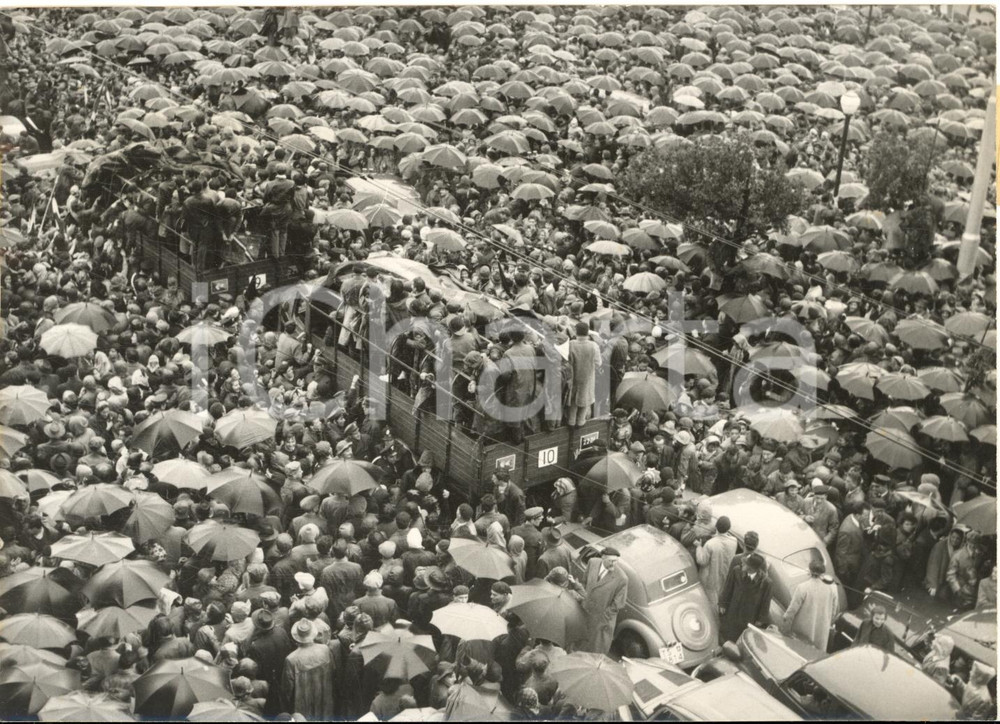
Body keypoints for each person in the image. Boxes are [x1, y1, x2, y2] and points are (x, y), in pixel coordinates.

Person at [281, 619, 336, 720]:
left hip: (303, 704)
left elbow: (287, 690)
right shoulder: (325, 649)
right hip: (324, 699)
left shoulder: (291, 659)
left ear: (296, 637)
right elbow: (333, 670)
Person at [781, 560, 840, 652]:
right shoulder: (833, 587)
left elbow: (792, 610)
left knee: (800, 651)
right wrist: (828, 622)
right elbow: (834, 610)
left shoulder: (803, 587)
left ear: (809, 571)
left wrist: (785, 620)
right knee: (815, 654)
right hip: (822, 630)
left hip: (802, 630)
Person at [580, 547, 628, 655]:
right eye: (611, 561)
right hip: (585, 611)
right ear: (603, 557)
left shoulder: (622, 578)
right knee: (580, 643)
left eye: (616, 561)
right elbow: (584, 582)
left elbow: (618, 604)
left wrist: (603, 618)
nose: (614, 564)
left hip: (602, 620)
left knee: (596, 650)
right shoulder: (592, 562)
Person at [718, 552, 772, 643]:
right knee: (726, 635)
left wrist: (760, 620)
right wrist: (722, 603)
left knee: (742, 639)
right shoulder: (736, 571)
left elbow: (765, 603)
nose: (742, 563)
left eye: (745, 563)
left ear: (752, 568)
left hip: (749, 617)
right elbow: (727, 588)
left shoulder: (766, 583)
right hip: (733, 612)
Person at [695, 515, 738, 607]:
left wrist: (699, 546)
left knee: (712, 603)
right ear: (728, 528)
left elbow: (702, 561)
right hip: (726, 575)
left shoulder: (710, 544)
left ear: (716, 527)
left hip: (711, 577)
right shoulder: (734, 541)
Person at [566, 320, 600, 427]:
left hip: (573, 377)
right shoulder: (594, 346)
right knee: (584, 401)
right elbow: (598, 363)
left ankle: (571, 422)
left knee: (573, 402)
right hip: (588, 378)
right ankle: (580, 422)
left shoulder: (570, 344)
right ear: (587, 332)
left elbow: (567, 361)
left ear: (576, 332)